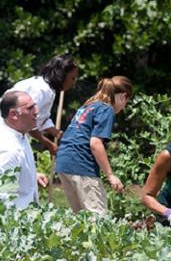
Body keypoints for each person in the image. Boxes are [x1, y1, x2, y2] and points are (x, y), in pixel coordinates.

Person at [55, 76, 132, 214]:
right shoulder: (106, 109)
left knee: (80, 218)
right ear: (123, 96)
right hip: (81, 163)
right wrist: (110, 175)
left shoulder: (88, 106)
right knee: (98, 220)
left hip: (63, 163)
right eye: (127, 101)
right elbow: (95, 143)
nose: (124, 106)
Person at [0, 53, 79, 155]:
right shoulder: (40, 90)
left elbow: (43, 119)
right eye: (72, 78)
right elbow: (28, 122)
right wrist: (50, 145)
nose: (73, 83)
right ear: (62, 75)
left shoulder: (48, 90)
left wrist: (60, 134)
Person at [0, 91, 48, 209]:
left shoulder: (15, 132)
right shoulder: (9, 150)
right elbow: (2, 197)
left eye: (35, 105)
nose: (37, 111)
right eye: (30, 108)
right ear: (13, 114)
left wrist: (31, 175)